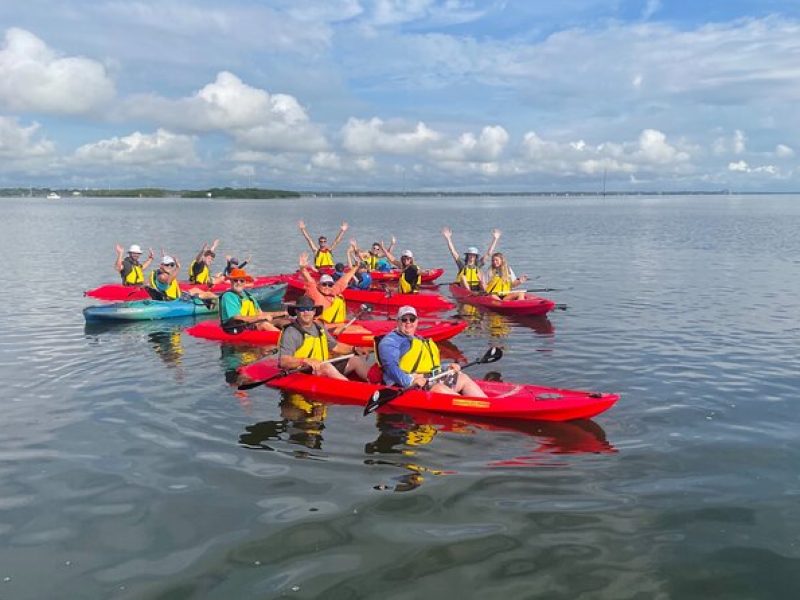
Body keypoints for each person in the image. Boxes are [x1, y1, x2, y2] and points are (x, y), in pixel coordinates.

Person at [375, 306, 487, 397]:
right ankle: (470, 407)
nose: (408, 323)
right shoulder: (390, 342)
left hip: (427, 378)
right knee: (438, 389)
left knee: (463, 378)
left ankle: (485, 404)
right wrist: (410, 381)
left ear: (417, 322)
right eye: (404, 319)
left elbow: (429, 365)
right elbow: (391, 368)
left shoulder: (418, 339)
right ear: (397, 322)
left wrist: (447, 367)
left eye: (412, 319)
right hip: (404, 384)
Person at [278, 295, 371, 381]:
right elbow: (284, 361)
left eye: (309, 309)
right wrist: (305, 360)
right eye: (302, 309)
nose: (306, 312)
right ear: (296, 311)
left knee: (355, 360)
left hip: (321, 366)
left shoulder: (319, 327)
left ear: (314, 311)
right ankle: (353, 390)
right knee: (326, 367)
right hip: (303, 371)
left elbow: (335, 347)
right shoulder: (291, 332)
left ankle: (377, 385)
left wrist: (354, 349)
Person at [298, 249, 369, 334]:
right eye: (324, 284)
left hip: (336, 324)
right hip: (320, 327)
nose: (327, 287)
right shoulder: (315, 293)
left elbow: (344, 280)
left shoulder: (333, 291)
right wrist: (302, 268)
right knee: (358, 332)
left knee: (360, 329)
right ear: (319, 285)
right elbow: (310, 281)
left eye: (330, 284)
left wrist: (356, 267)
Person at [218, 268, 286, 333]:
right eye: (235, 280)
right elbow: (237, 318)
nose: (238, 283)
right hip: (235, 327)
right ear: (231, 281)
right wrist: (259, 318)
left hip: (251, 324)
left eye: (241, 281)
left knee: (281, 321)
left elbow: (260, 313)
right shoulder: (228, 296)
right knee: (264, 325)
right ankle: (286, 341)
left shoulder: (249, 296)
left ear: (245, 282)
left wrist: (281, 313)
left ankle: (293, 337)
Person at [441, 227, 501, 291]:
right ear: (467, 255)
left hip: (476, 287)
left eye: (474, 255)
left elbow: (489, 253)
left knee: (481, 275)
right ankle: (470, 294)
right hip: (465, 288)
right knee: (463, 277)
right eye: (470, 254)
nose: (472, 256)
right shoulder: (462, 263)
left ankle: (485, 293)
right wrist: (448, 238)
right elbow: (453, 252)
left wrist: (495, 239)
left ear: (476, 256)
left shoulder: (478, 264)